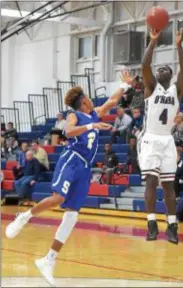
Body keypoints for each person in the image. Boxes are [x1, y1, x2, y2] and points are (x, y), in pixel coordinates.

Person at [5, 70, 134, 286]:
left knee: (72, 214)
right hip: (71, 160)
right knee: (58, 198)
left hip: (85, 168)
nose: (93, 100)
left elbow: (112, 100)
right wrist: (92, 126)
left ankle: (49, 259)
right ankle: (24, 216)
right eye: (89, 97)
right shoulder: (76, 115)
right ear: (83, 101)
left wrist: (126, 86)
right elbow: (69, 131)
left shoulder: (94, 113)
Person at [139, 27, 183, 244]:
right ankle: (151, 223)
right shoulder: (151, 87)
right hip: (150, 138)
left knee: (169, 185)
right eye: (160, 70)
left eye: (167, 69)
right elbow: (145, 65)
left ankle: (172, 226)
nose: (162, 70)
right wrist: (153, 41)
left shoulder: (177, 90)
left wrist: (179, 46)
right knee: (151, 181)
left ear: (171, 75)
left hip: (167, 139)